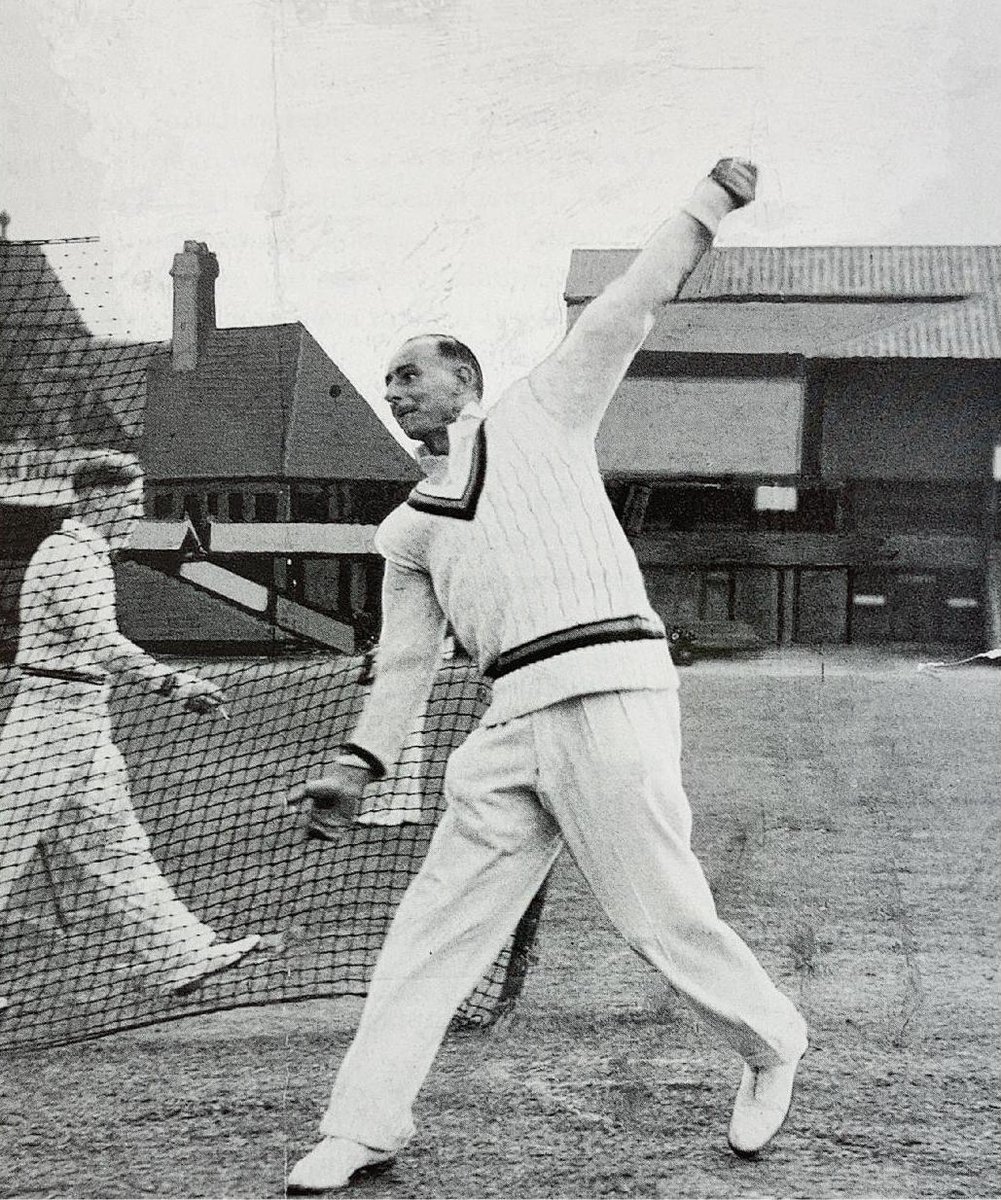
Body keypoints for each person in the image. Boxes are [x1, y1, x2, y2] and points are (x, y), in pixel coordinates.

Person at [288, 158, 809, 1192]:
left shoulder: (543, 412)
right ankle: (364, 1125)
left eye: (413, 374)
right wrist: (358, 761)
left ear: (466, 383)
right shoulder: (401, 531)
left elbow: (628, 303)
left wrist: (708, 201)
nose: (396, 392)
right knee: (430, 930)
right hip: (506, 724)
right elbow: (403, 661)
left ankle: (768, 1042)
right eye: (387, 379)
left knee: (657, 915)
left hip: (611, 689)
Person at [0, 452, 260, 1013]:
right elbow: (100, 642)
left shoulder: (88, 553)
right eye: (130, 499)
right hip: (46, 725)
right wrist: (173, 685)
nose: (137, 511)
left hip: (84, 722)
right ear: (95, 498)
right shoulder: (67, 554)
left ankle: (181, 956)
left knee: (119, 848)